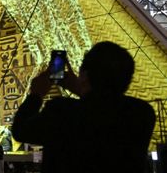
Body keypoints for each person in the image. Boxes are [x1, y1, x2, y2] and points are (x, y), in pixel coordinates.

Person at [12, 41, 155, 173]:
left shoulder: (61, 111)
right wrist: (83, 90)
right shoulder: (143, 113)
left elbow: (20, 130)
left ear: (85, 75)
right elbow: (102, 109)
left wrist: (36, 95)